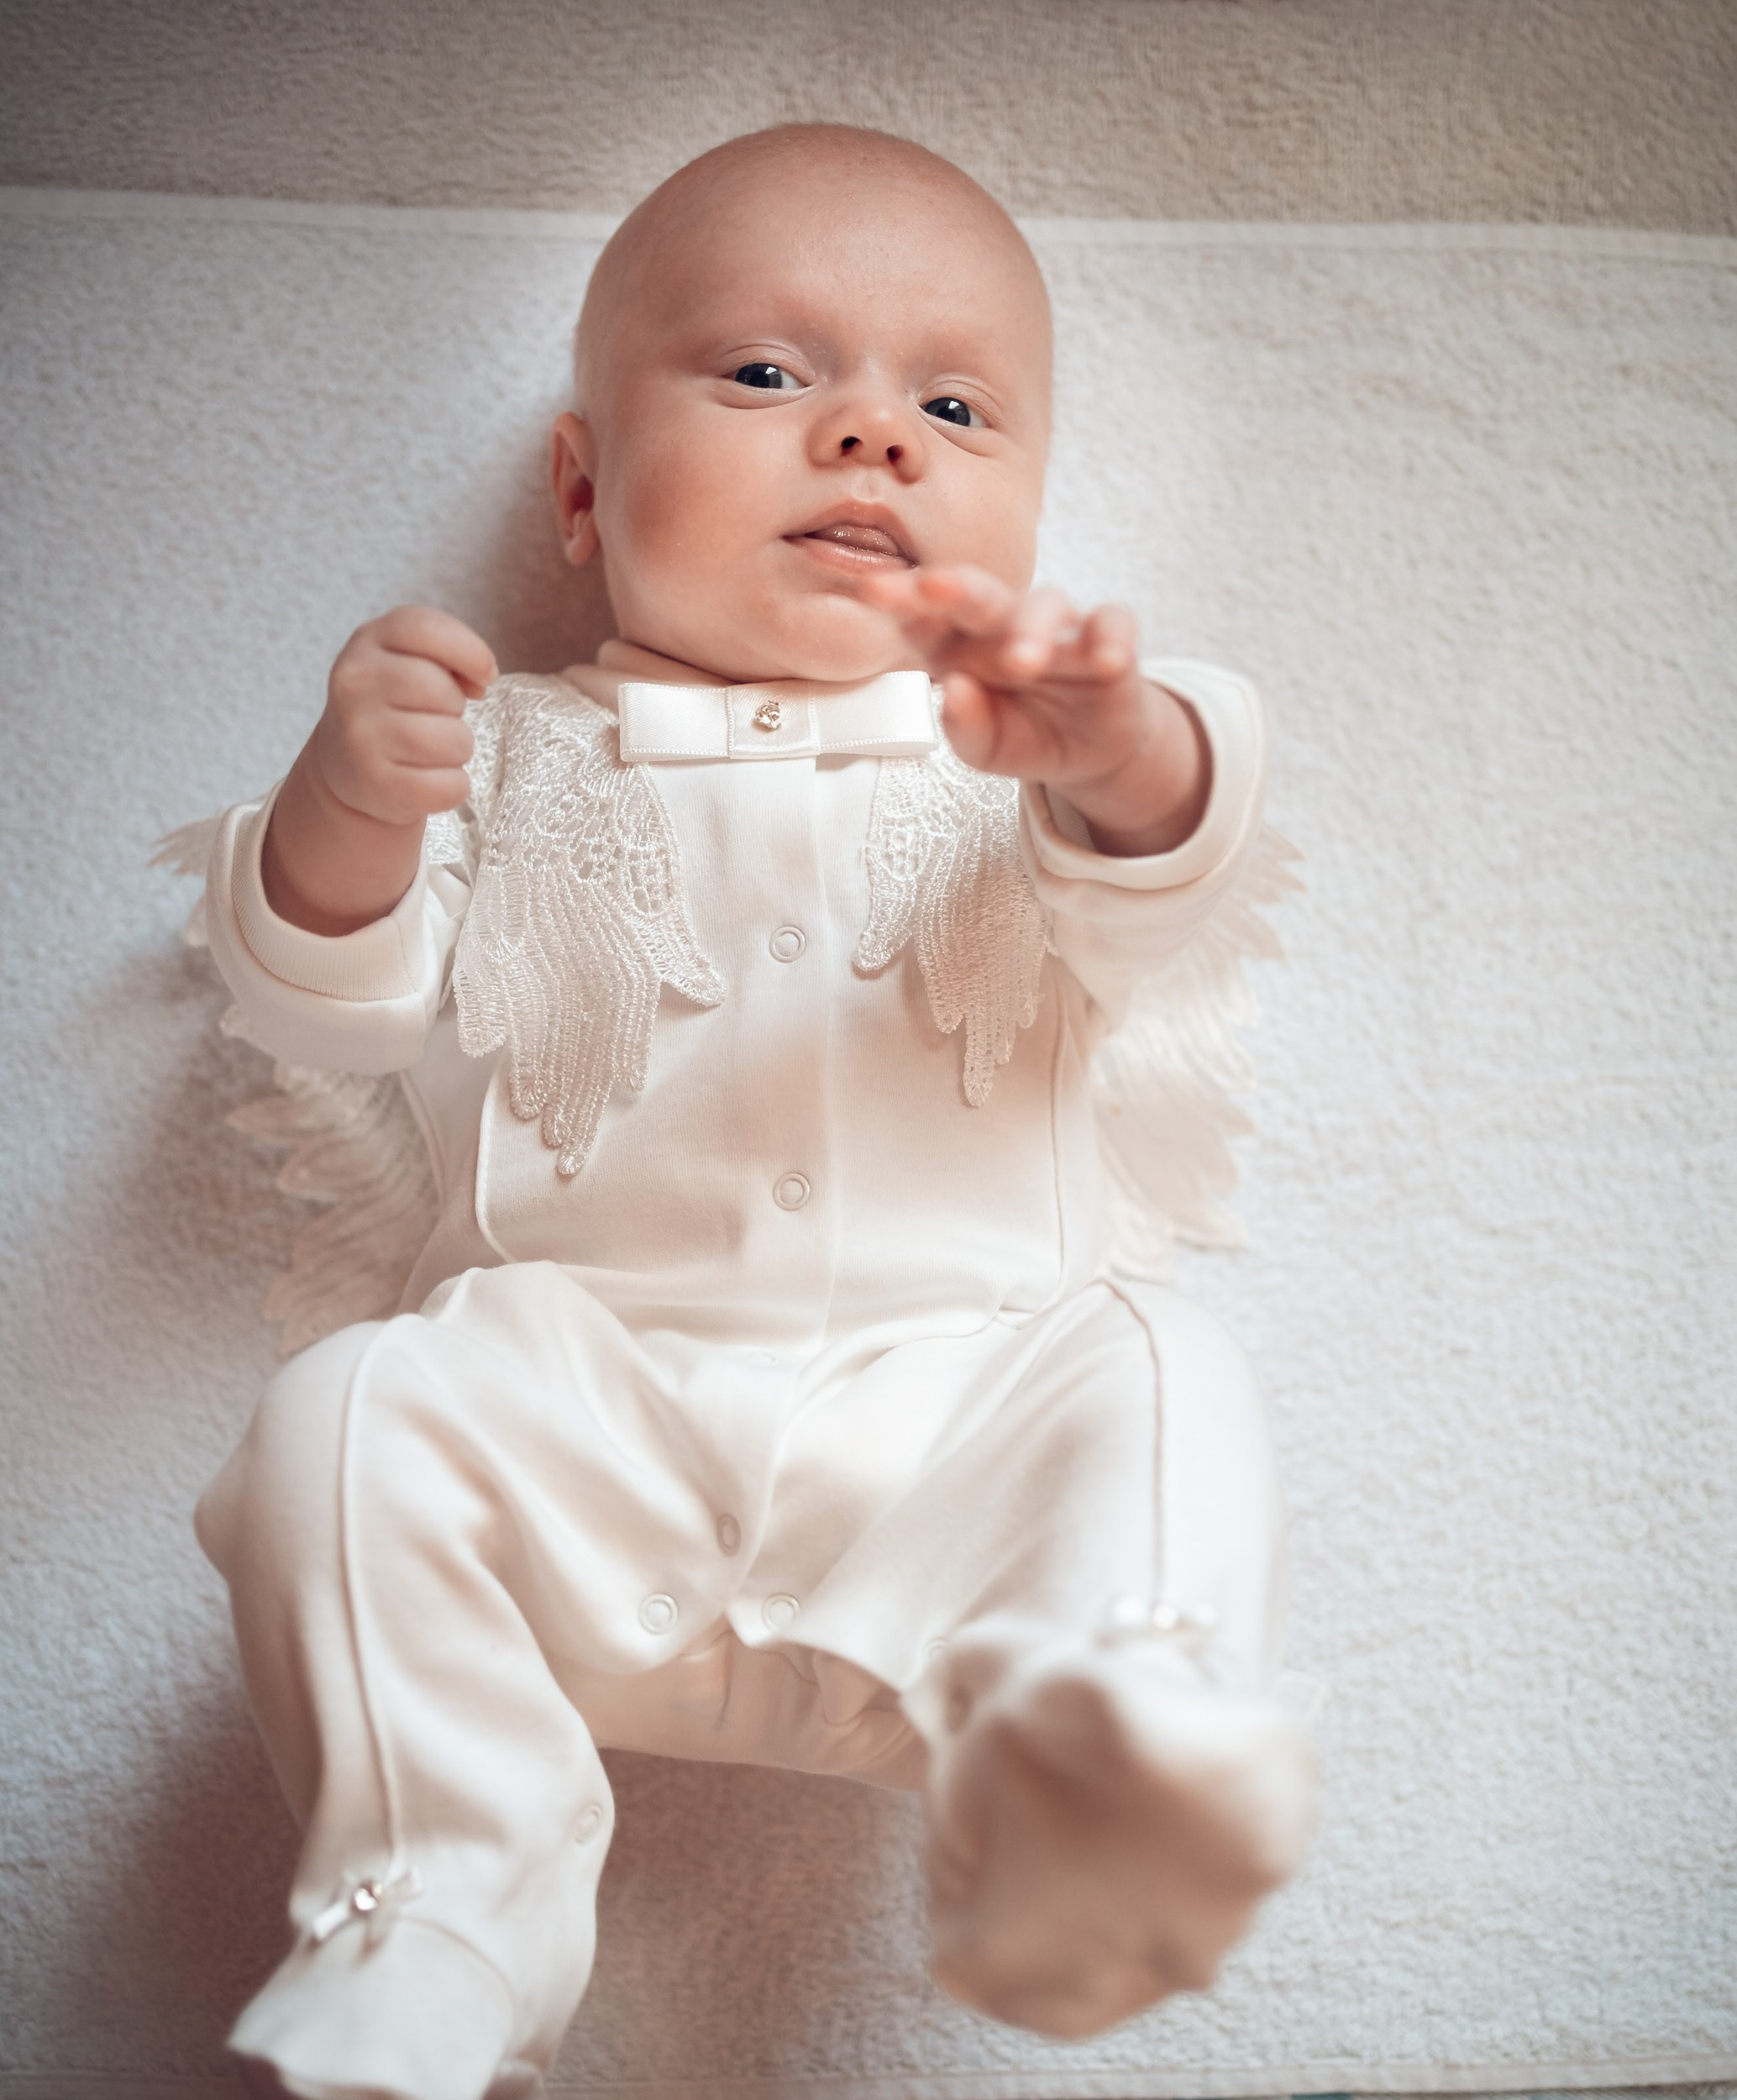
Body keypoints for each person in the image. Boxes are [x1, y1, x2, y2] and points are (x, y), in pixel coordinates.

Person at [191, 122, 1316, 2100]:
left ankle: (1101, 1743)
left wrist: (1121, 740)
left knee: (1151, 1363)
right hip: (587, 1450)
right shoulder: (507, 755)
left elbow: (1186, 857)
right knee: (343, 1414)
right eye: (769, 375)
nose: (870, 436)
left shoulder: (1024, 768)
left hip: (943, 1479)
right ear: (580, 486)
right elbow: (319, 998)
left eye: (951, 405)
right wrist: (350, 800)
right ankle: (430, 1909)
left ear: (1030, 520)